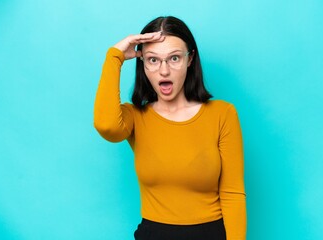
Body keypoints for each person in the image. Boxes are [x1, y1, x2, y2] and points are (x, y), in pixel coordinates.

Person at [94, 16, 246, 240]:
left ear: (190, 59)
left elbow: (233, 194)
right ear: (142, 63)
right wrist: (114, 57)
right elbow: (106, 126)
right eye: (153, 60)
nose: (164, 71)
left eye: (174, 58)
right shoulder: (136, 117)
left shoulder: (223, 114)